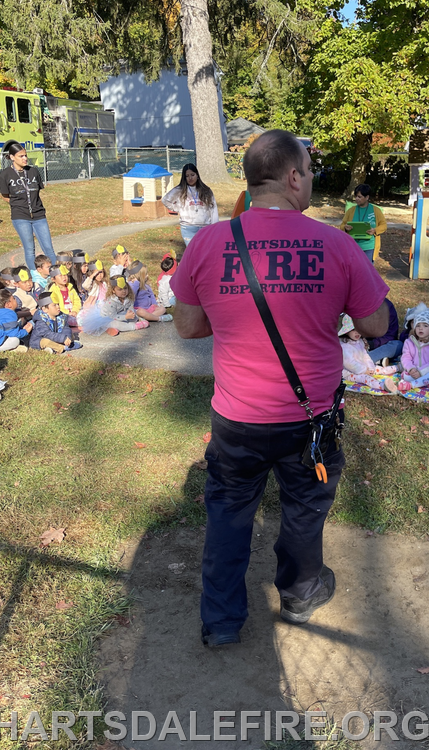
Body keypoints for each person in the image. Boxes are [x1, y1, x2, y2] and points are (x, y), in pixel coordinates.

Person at [171, 129, 389, 647]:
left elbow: (186, 326)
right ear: (294, 177)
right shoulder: (335, 243)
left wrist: (231, 316)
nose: (310, 181)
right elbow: (376, 325)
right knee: (304, 509)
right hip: (309, 420)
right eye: (310, 173)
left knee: (227, 513)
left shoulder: (208, 243)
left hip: (237, 417)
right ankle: (299, 592)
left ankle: (221, 621)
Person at [0, 143, 57, 272]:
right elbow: (5, 195)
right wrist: (19, 205)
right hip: (20, 217)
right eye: (21, 156)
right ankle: (35, 277)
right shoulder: (5, 174)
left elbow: (37, 192)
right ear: (12, 157)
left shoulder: (33, 171)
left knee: (48, 248)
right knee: (30, 249)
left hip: (39, 215)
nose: (25, 158)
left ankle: (54, 274)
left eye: (26, 155)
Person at [162, 163, 219, 246]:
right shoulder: (180, 189)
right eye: (187, 176)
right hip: (188, 227)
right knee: (192, 253)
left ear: (197, 175)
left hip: (205, 227)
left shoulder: (206, 190)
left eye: (192, 175)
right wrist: (177, 208)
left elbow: (213, 209)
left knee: (203, 253)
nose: (190, 178)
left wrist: (215, 227)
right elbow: (165, 200)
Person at [339, 314, 399, 393]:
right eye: (353, 329)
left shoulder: (359, 341)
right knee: (366, 378)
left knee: (379, 369)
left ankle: (398, 368)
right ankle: (382, 386)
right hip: (350, 372)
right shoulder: (344, 346)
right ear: (346, 332)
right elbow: (350, 364)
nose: (357, 332)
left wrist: (370, 367)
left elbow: (365, 355)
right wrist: (364, 370)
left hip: (363, 367)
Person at [397, 307, 429, 392]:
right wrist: (411, 369)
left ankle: (411, 385)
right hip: (414, 370)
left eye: (425, 325)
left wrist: (421, 372)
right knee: (404, 375)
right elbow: (406, 357)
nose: (420, 328)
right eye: (418, 325)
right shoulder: (409, 341)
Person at [339, 183, 387, 263]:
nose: (357, 199)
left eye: (359, 197)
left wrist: (375, 230)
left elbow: (383, 225)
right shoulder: (351, 210)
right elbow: (342, 225)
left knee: (367, 272)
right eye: (356, 196)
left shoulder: (376, 210)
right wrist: (345, 227)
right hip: (353, 246)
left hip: (369, 247)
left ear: (367, 197)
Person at [0, 289, 32, 353]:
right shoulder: (9, 315)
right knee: (15, 340)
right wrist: (26, 331)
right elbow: (13, 334)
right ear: (8, 304)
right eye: (13, 298)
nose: (15, 299)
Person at [364, 298, 401, 366]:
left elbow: (391, 335)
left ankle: (363, 361)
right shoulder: (356, 304)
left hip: (381, 346)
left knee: (398, 345)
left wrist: (371, 344)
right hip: (359, 345)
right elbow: (350, 329)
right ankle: (378, 361)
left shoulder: (387, 306)